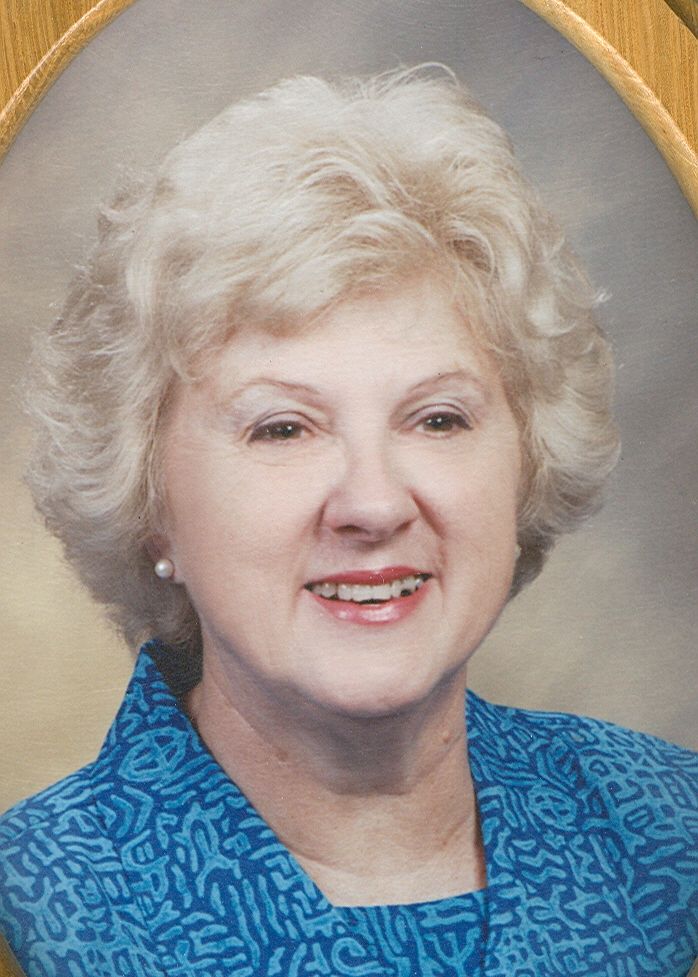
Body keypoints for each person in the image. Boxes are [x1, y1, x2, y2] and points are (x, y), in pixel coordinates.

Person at [0, 66, 696, 977]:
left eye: (437, 419)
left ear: (526, 463)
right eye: (283, 428)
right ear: (150, 503)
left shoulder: (671, 831)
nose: (373, 504)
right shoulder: (33, 905)